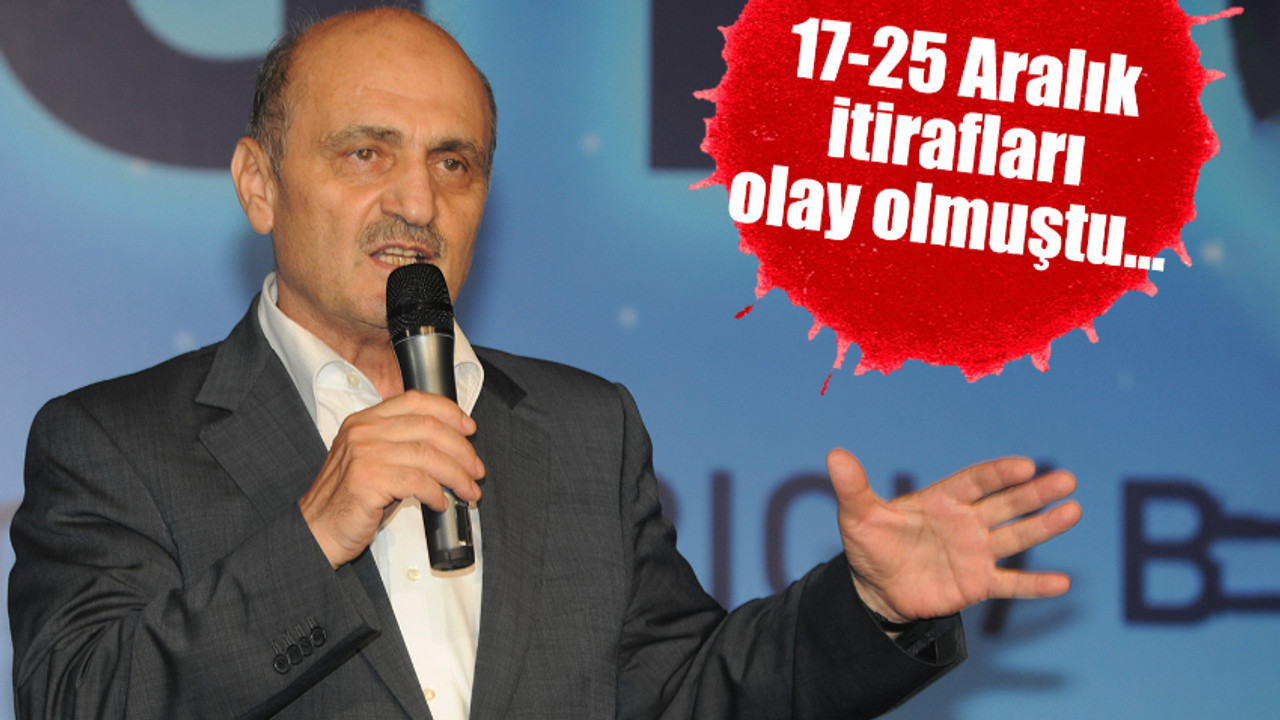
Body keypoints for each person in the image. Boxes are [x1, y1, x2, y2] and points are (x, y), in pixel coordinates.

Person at [8, 8, 1081, 720]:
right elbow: (75, 702)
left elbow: (682, 694)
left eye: (454, 163)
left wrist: (869, 607)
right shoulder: (115, 442)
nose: (416, 202)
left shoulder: (581, 428)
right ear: (259, 184)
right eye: (365, 152)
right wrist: (315, 533)